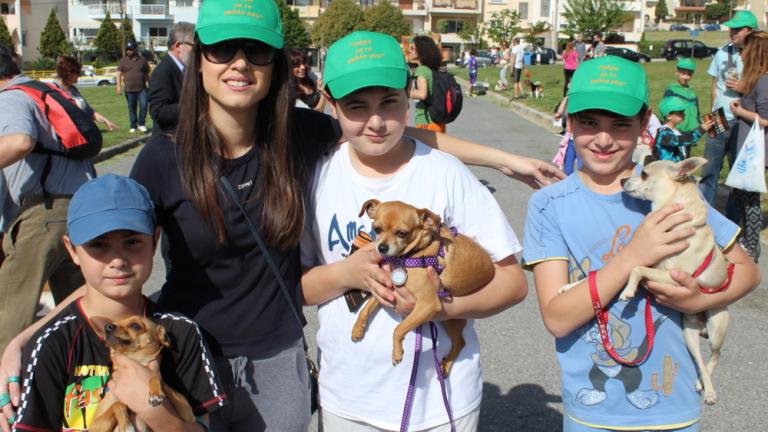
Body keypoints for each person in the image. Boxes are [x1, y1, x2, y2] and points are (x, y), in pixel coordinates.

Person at [0, 1, 563, 430]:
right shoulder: (162, 157)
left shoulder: (300, 136)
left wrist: (506, 158)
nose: (240, 63)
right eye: (223, 49)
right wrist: (24, 337)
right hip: (188, 355)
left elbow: (393, 132)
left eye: (257, 51)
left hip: (278, 360)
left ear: (276, 63)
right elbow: (114, 266)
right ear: (201, 60)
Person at [300, 30, 527, 432]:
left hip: (441, 405)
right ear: (330, 104)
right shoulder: (317, 174)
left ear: (410, 97)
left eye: (390, 102)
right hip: (348, 400)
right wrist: (348, 274)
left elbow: (513, 283)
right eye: (356, 106)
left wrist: (441, 308)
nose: (375, 121)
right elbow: (297, 287)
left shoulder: (446, 174)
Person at [522, 55, 759, 432]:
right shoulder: (550, 205)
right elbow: (557, 317)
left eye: (620, 125)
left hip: (674, 409)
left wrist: (699, 301)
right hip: (592, 412)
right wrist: (635, 254)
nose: (603, 139)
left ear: (645, 121)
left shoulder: (673, 190)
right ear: (569, 121)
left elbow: (747, 272)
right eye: (588, 123)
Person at [11, 174, 226, 431]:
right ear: (71, 250)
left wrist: (153, 411)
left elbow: (204, 426)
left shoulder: (181, 333)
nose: (117, 259)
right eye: (98, 245)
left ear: (155, 240)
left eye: (132, 241)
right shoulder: (52, 343)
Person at [0, 44, 93, 356]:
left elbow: (20, 141)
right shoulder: (42, 91)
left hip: (43, 213)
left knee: (12, 308)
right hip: (77, 209)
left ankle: (4, 392)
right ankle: (83, 370)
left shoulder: (11, 97)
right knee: (77, 306)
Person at [699, 10, 758, 206]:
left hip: (743, 119)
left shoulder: (759, 57)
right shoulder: (722, 52)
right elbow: (714, 84)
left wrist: (743, 87)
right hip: (717, 117)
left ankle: (732, 222)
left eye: (738, 29)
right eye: (731, 28)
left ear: (750, 31)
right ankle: (706, 213)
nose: (732, 32)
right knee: (709, 169)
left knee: (736, 174)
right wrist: (711, 113)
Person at [727, 30, 768, 261]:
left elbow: (765, 118)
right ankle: (747, 240)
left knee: (749, 197)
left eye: (744, 51)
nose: (741, 55)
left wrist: (740, 111)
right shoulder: (756, 80)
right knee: (742, 195)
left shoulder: (764, 81)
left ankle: (752, 245)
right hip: (746, 149)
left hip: (755, 152)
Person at [149, 22, 195, 136]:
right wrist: (194, 107)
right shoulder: (163, 71)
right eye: (194, 46)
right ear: (178, 46)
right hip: (169, 140)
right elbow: (158, 112)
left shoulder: (184, 69)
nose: (197, 52)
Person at [54, 56, 118, 131]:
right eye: (78, 72)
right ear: (69, 73)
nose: (80, 75)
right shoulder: (54, 92)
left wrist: (106, 121)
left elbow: (89, 112)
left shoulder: (73, 90)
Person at [653, 96, 714, 162]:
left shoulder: (677, 131)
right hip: (665, 170)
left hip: (677, 170)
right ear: (668, 116)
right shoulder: (663, 133)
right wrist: (700, 130)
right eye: (680, 112)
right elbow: (680, 141)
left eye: (683, 112)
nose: (684, 114)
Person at [410, 35, 447, 132]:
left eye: (412, 47)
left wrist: (403, 92)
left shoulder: (421, 70)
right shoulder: (432, 69)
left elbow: (422, 94)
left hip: (426, 122)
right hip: (438, 121)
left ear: (421, 50)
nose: (410, 50)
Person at [117, 41, 150, 134]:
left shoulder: (143, 60)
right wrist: (118, 86)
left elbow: (147, 73)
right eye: (127, 50)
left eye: (131, 49)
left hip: (142, 89)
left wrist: (150, 84)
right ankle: (133, 126)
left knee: (144, 106)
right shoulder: (123, 60)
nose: (129, 51)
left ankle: (141, 124)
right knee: (132, 108)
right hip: (129, 89)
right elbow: (119, 74)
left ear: (135, 49)